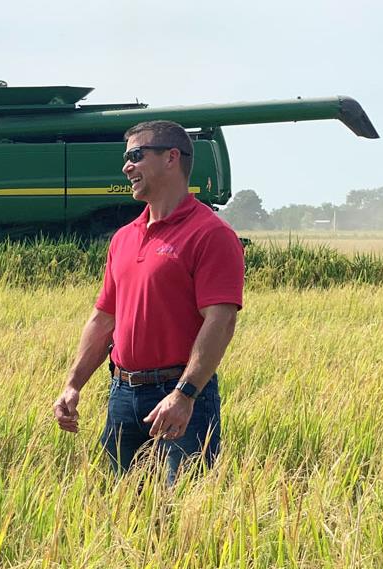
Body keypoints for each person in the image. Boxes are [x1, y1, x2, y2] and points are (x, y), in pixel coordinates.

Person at [53, 120, 244, 482]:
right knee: (124, 510)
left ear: (172, 158)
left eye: (136, 156)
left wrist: (184, 395)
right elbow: (103, 319)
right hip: (122, 395)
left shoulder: (211, 235)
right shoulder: (124, 238)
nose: (126, 166)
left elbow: (220, 320)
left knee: (185, 512)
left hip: (181, 397)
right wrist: (73, 385)